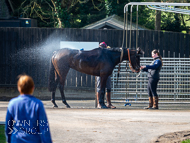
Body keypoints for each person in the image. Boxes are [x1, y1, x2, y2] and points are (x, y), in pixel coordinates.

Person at [5, 74, 52, 143]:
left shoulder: (13, 103)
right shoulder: (38, 104)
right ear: (33, 88)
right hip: (33, 140)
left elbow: (8, 126)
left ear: (18, 88)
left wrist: (9, 140)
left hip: (17, 140)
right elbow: (44, 127)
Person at [96, 42, 116, 109]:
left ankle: (109, 103)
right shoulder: (98, 55)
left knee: (108, 88)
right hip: (100, 73)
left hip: (106, 73)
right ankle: (99, 103)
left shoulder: (107, 56)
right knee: (99, 88)